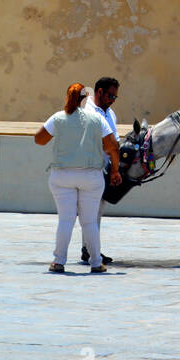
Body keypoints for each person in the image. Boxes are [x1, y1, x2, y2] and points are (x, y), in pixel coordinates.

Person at [34, 83, 121, 272]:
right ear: (86, 98)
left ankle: (58, 262)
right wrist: (115, 170)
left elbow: (39, 139)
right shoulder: (97, 119)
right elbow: (113, 146)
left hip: (62, 175)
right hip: (91, 176)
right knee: (89, 221)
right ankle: (96, 263)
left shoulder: (58, 118)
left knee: (65, 220)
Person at [79, 77, 120, 265]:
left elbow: (114, 142)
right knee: (86, 213)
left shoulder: (111, 114)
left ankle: (88, 249)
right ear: (100, 92)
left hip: (104, 168)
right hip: (88, 168)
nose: (112, 100)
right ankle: (89, 251)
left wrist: (115, 168)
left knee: (97, 212)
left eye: (115, 97)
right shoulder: (86, 111)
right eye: (110, 95)